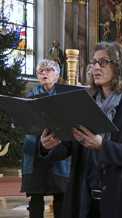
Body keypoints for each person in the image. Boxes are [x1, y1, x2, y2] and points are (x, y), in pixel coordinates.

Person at [40, 42, 122, 218]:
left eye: (103, 62)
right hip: (84, 196)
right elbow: (69, 145)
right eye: (94, 62)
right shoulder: (83, 103)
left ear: (119, 66)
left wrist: (102, 146)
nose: (96, 67)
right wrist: (48, 146)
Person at [21, 59, 70, 218]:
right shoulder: (30, 96)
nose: (44, 73)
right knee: (36, 195)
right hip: (35, 148)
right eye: (40, 71)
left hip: (58, 148)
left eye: (48, 70)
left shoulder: (65, 95)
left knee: (60, 194)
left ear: (57, 74)